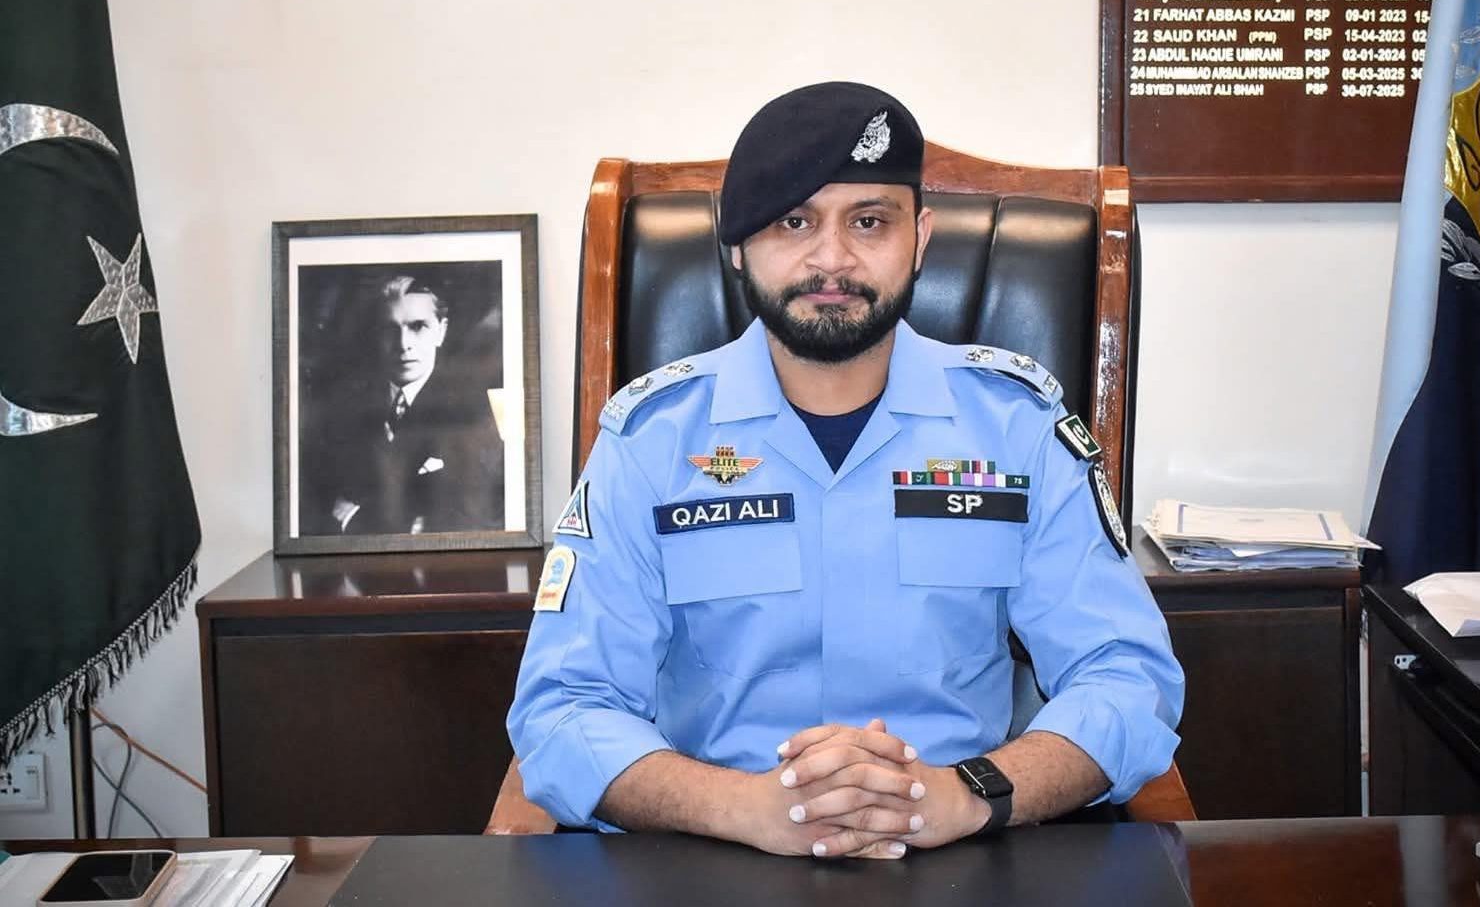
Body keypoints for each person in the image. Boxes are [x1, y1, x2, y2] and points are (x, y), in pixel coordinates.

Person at [507, 82, 1183, 860]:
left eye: (869, 221)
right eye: (793, 222)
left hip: (965, 849)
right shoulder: (649, 442)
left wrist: (965, 794)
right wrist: (749, 808)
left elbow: (1128, 677)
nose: (831, 259)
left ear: (920, 239)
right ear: (737, 244)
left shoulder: (1017, 428)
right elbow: (562, 709)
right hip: (712, 853)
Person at [300, 275, 504, 535]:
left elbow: (481, 513)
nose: (403, 344)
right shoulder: (344, 409)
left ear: (441, 331)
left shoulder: (474, 409)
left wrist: (359, 513)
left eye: (418, 327)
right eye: (390, 329)